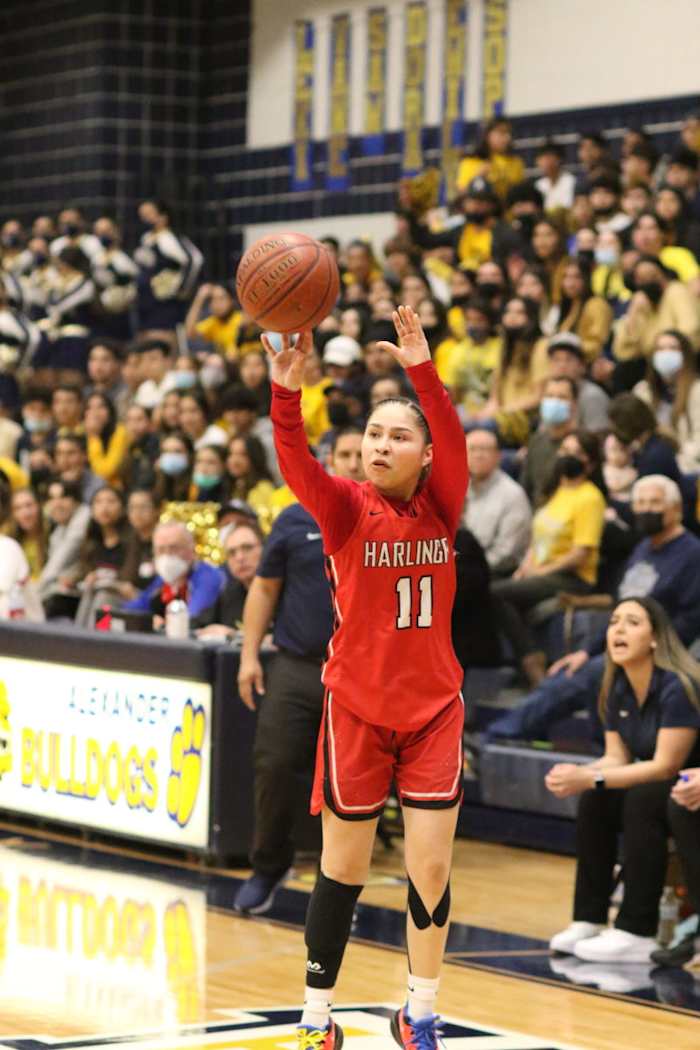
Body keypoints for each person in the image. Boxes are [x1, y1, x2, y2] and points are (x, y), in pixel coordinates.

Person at [259, 307, 468, 1050]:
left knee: (432, 866)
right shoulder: (346, 508)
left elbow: (454, 433)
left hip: (434, 709)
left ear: (424, 454)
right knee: (341, 869)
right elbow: (296, 464)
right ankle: (317, 1020)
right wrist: (287, 391)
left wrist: (422, 369)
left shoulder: (443, 505)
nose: (382, 445)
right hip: (355, 708)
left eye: (399, 436)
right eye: (375, 435)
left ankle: (421, 1011)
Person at [235, 428, 364, 914]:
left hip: (357, 675)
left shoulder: (384, 518)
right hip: (295, 665)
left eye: (361, 454)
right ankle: (268, 865)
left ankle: (338, 893)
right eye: (345, 454)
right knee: (273, 762)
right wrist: (250, 655)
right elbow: (265, 589)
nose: (353, 462)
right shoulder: (294, 518)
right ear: (329, 460)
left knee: (349, 787)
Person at [487, 475, 700, 742]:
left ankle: (498, 736)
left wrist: (646, 648)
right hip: (622, 646)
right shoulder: (642, 549)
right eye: (641, 503)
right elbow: (619, 611)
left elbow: (690, 620)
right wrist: (587, 652)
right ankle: (503, 739)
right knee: (569, 671)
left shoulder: (692, 554)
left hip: (657, 654)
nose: (646, 509)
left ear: (676, 509)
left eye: (654, 503)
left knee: (587, 678)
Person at [547, 597, 700, 963]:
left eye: (632, 622)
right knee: (596, 797)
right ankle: (589, 917)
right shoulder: (616, 686)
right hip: (666, 785)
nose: (618, 629)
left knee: (639, 796)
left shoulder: (677, 685)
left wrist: (593, 776)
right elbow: (617, 757)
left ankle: (637, 929)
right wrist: (580, 775)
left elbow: (665, 765)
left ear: (654, 639)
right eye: (615, 621)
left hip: (685, 783)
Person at [492, 431, 606, 685]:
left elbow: (581, 553)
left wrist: (541, 572)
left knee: (496, 592)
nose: (568, 457)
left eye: (577, 453)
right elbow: (537, 539)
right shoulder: (555, 491)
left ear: (591, 463)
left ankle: (531, 659)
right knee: (497, 590)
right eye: (565, 450)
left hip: (572, 577)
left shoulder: (590, 497)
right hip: (543, 571)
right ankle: (527, 660)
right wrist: (526, 567)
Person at [464, 429, 531, 578]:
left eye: (485, 450)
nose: (478, 455)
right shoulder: (458, 489)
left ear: (498, 456)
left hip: (496, 573)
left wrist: (466, 571)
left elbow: (507, 554)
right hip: (463, 568)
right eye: (472, 449)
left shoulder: (512, 494)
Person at [125, 520, 224, 620]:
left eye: (174, 548)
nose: (167, 555)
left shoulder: (208, 577)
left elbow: (192, 618)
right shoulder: (163, 580)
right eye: (160, 549)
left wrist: (159, 624)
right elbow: (135, 608)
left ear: (191, 550)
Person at [612, 255, 700, 368]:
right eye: (642, 279)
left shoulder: (676, 291)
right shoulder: (642, 305)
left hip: (686, 364)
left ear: (664, 275)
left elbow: (692, 331)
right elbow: (623, 353)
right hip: (654, 369)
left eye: (653, 275)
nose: (649, 281)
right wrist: (633, 312)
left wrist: (665, 349)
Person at [633, 329, 700, 472]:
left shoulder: (697, 391)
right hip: (649, 464)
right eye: (660, 349)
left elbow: (698, 442)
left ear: (685, 355)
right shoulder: (642, 391)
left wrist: (674, 460)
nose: (666, 354)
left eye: (673, 348)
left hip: (687, 466)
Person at [134, 199, 203, 332]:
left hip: (166, 304)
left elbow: (195, 259)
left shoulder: (169, 238)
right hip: (147, 302)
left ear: (163, 216)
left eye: (149, 214)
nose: (145, 219)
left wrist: (182, 288)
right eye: (142, 215)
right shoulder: (146, 239)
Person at [194, 521, 264, 638]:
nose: (240, 557)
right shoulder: (230, 594)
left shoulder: (286, 592)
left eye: (247, 548)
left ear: (265, 549)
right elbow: (196, 624)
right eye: (232, 553)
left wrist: (235, 636)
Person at [73, 486, 131, 626]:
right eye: (98, 502)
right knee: (90, 593)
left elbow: (131, 582)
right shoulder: (91, 544)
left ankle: (95, 642)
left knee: (105, 596)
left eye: (111, 501)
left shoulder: (131, 541)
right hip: (93, 596)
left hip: (122, 598)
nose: (104, 507)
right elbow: (82, 572)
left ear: (123, 508)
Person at [520, 376, 578, 507]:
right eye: (549, 396)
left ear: (574, 404)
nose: (554, 402)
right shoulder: (536, 441)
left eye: (562, 397)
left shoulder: (580, 445)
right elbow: (525, 487)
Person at [39, 478, 91, 615]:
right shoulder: (59, 529)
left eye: (63, 497)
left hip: (84, 593)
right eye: (52, 498)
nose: (56, 504)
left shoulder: (84, 518)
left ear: (76, 500)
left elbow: (56, 565)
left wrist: (34, 593)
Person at [546, 332, 610, 433]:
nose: (562, 365)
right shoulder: (549, 392)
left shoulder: (592, 396)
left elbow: (599, 439)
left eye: (569, 359)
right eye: (556, 359)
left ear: (582, 366)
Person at [553, 257, 613, 363]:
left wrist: (568, 348)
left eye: (577, 277)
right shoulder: (569, 306)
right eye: (566, 277)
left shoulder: (596, 305)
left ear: (586, 278)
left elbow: (597, 345)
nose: (570, 284)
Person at [185, 281, 241, 358]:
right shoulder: (213, 322)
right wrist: (199, 299)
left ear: (232, 301)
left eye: (221, 299)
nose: (217, 304)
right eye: (213, 300)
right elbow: (190, 333)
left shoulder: (241, 318)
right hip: (226, 366)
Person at [84, 392, 130, 485]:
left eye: (101, 407)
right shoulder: (80, 433)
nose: (95, 412)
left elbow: (105, 472)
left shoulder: (120, 432)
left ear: (110, 411)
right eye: (90, 408)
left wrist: (93, 437)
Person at [53, 433, 104, 504]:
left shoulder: (97, 484)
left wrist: (71, 485)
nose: (64, 459)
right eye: (59, 453)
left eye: (71, 453)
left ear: (85, 455)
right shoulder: (48, 480)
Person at [535, 141, 576, 212]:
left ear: (559, 159)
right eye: (541, 159)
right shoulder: (538, 185)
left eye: (547, 158)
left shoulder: (571, 182)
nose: (544, 162)